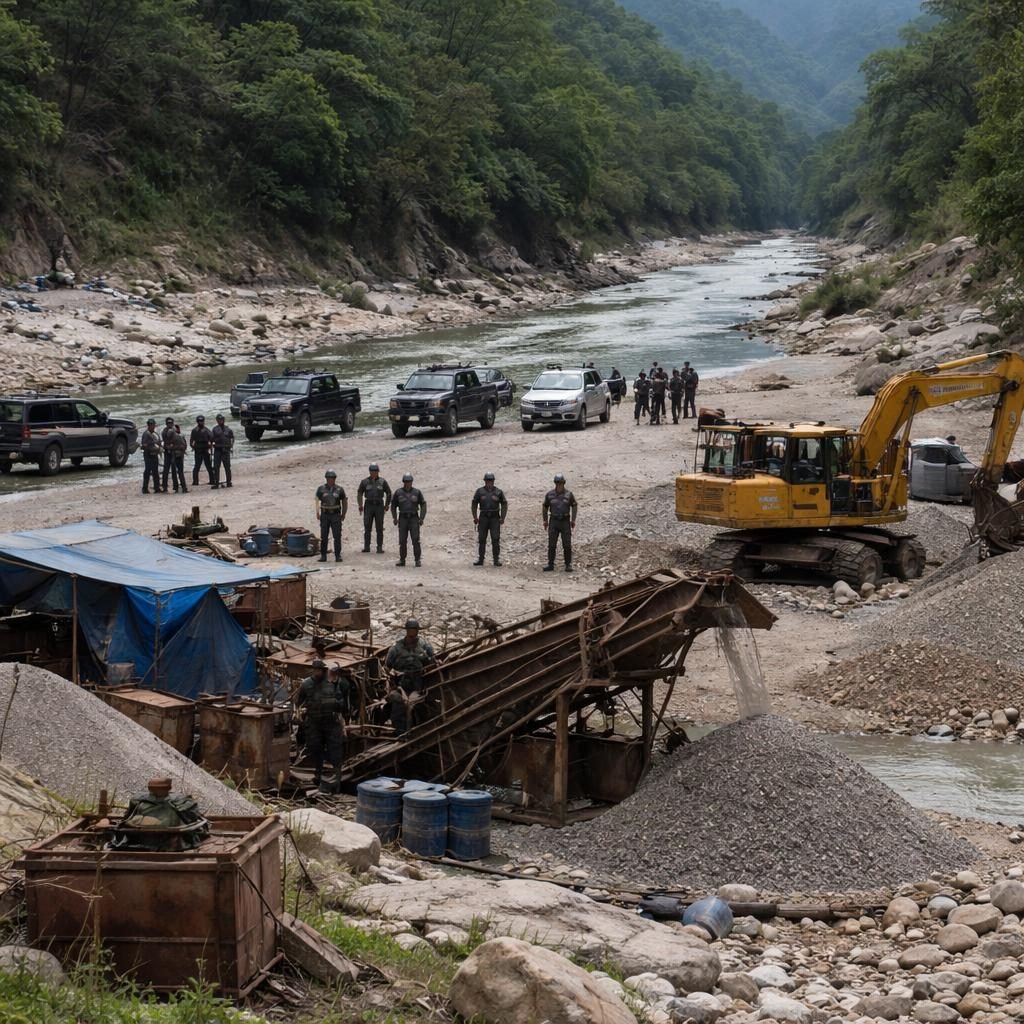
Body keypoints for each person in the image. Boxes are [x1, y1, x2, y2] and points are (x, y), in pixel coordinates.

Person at [296, 659, 345, 792]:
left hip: (331, 722)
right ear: (313, 670)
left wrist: (334, 704)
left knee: (335, 751)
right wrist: (300, 713)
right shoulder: (306, 684)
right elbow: (298, 702)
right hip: (314, 722)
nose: (319, 672)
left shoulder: (332, 684)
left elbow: (341, 702)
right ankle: (318, 775)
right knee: (315, 748)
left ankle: (337, 780)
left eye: (321, 670)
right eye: (317, 670)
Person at [384, 618, 436, 734]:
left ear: (417, 630)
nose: (412, 631)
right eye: (410, 629)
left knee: (425, 709)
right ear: (406, 630)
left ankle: (420, 732)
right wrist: (392, 677)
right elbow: (387, 667)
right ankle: (400, 733)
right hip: (401, 685)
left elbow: (433, 664)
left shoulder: (425, 646)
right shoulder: (396, 648)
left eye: (414, 629)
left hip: (420, 685)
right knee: (397, 708)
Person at [471, 472, 508, 566]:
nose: (489, 482)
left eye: (491, 480)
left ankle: (496, 560)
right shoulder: (480, 491)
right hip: (483, 517)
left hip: (495, 518)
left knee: (495, 538)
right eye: (487, 480)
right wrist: (475, 516)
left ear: (493, 481)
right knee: (482, 538)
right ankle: (481, 559)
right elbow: (474, 503)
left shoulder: (498, 492)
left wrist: (502, 517)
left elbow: (504, 504)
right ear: (485, 481)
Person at [542, 473, 577, 572]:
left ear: (564, 483)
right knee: (552, 544)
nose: (559, 485)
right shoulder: (550, 495)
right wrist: (545, 520)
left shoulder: (569, 494)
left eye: (561, 483)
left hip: (565, 521)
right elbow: (545, 507)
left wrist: (573, 519)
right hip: (554, 521)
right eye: (557, 483)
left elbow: (574, 505)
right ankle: (550, 564)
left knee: (567, 544)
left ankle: (568, 564)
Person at [392, 473, 426, 567]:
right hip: (403, 518)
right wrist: (394, 517)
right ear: (403, 482)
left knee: (415, 539)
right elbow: (393, 505)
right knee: (402, 540)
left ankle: (417, 560)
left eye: (409, 481)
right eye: (406, 481)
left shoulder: (417, 492)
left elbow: (423, 504)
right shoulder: (398, 492)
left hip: (414, 518)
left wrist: (422, 518)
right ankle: (402, 560)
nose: (408, 483)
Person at [357, 463, 392, 553]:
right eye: (372, 471)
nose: (374, 472)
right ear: (369, 471)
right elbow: (360, 493)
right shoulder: (364, 482)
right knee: (367, 527)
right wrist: (360, 505)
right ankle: (366, 547)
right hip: (368, 505)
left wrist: (387, 505)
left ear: (378, 471)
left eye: (375, 471)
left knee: (379, 527)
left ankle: (379, 547)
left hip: (379, 505)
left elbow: (389, 493)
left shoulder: (382, 482)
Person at [315, 470, 347, 563]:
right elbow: (317, 500)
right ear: (326, 479)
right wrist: (317, 512)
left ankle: (337, 555)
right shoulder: (321, 489)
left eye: (332, 478)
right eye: (329, 478)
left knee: (337, 536)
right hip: (325, 514)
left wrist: (344, 513)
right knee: (324, 536)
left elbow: (344, 501)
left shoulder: (339, 489)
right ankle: (323, 555)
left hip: (335, 515)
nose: (330, 480)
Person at [160, 417, 186, 493]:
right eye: (168, 423)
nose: (170, 424)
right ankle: (165, 486)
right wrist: (169, 446)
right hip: (168, 452)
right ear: (166, 423)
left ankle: (177, 486)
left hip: (175, 452)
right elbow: (166, 442)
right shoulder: (164, 432)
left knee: (175, 470)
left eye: (171, 423)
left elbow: (181, 442)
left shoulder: (175, 430)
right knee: (166, 469)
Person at [211, 414, 234, 488]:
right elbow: (211, 439)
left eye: (222, 419)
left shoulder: (228, 429)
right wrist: (212, 445)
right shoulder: (215, 429)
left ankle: (229, 482)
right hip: (218, 450)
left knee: (227, 467)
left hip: (226, 450)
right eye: (219, 420)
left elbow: (232, 438)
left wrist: (231, 446)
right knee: (216, 467)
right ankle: (216, 483)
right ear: (217, 421)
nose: (221, 421)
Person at [190, 415, 213, 486]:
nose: (201, 422)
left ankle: (212, 480)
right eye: (200, 421)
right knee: (197, 466)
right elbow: (191, 441)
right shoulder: (194, 430)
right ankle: (195, 481)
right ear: (197, 422)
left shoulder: (207, 430)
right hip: (198, 450)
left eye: (202, 421)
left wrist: (210, 445)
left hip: (205, 450)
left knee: (209, 466)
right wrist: (193, 447)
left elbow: (212, 438)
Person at [140, 418, 162, 494]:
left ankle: (157, 487)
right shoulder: (146, 434)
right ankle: (145, 488)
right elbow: (144, 445)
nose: (152, 426)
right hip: (148, 455)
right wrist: (152, 447)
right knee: (148, 471)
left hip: (154, 454)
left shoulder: (154, 434)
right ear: (148, 425)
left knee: (155, 471)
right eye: (151, 425)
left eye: (153, 425)